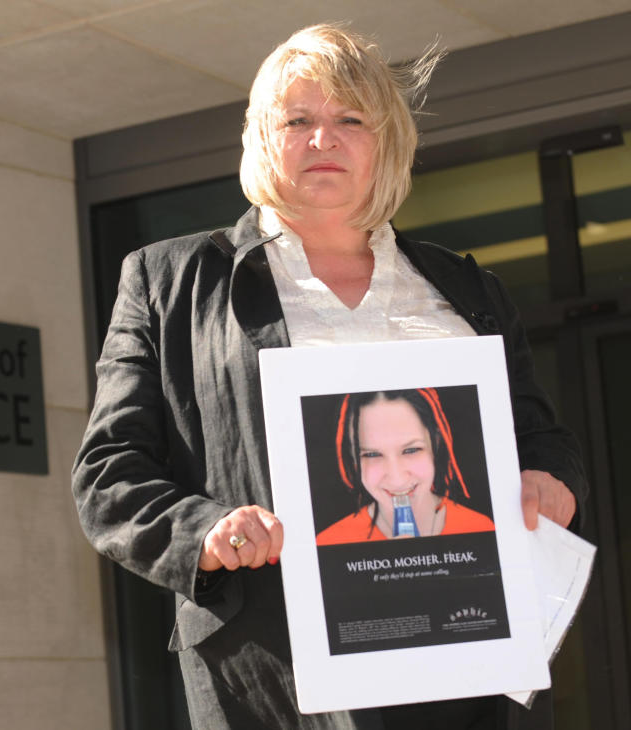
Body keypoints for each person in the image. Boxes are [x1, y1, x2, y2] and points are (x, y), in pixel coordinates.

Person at [73, 23, 587, 730]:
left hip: (469, 654)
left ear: (387, 142)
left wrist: (550, 481)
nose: (324, 139)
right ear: (260, 138)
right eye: (298, 120)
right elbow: (108, 475)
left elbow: (542, 438)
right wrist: (207, 532)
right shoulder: (168, 284)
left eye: (350, 119)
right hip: (280, 670)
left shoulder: (467, 288)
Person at [316, 388, 495, 545]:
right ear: (353, 459)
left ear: (436, 444)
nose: (397, 478)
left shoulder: (482, 529)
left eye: (411, 450)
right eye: (371, 454)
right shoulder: (329, 544)